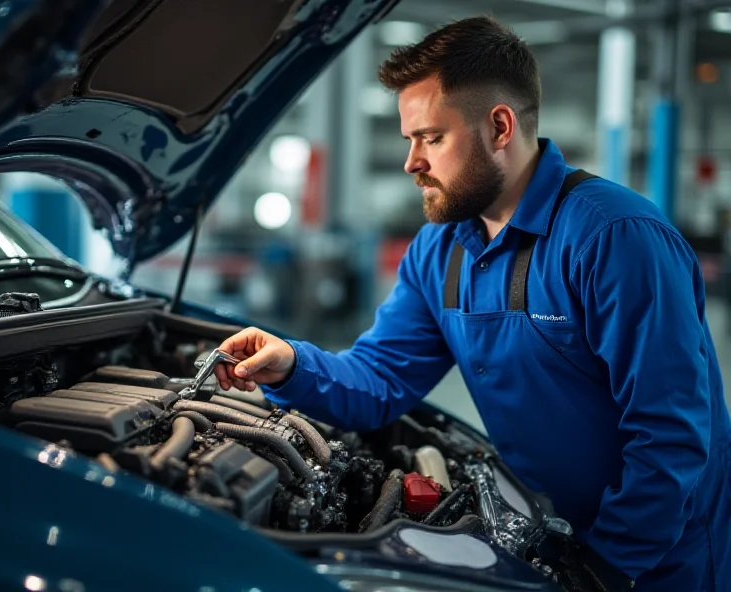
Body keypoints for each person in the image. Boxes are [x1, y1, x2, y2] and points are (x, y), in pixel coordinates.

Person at [214, 15, 730, 591]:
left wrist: (605, 566)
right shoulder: (441, 248)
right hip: (553, 543)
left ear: (500, 127)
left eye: (431, 138)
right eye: (410, 140)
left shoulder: (614, 238)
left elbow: (672, 432)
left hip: (658, 564)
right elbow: (380, 378)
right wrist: (293, 363)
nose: (413, 161)